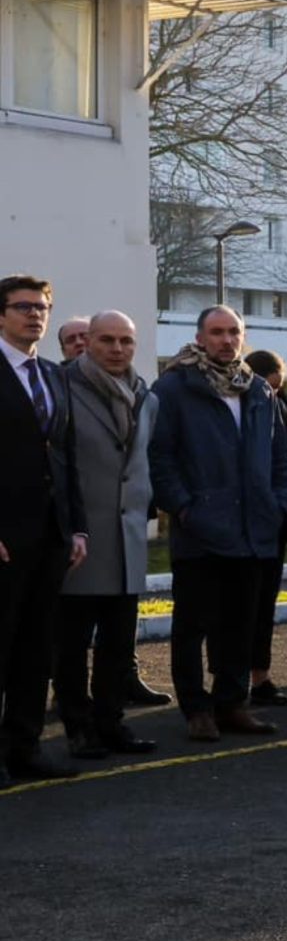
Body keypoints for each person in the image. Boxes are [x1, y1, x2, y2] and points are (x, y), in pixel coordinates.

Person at [148, 306, 287, 743]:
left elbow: (279, 457)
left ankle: (232, 703)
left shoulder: (258, 391)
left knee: (240, 624)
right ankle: (196, 710)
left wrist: (278, 502)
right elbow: (160, 457)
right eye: (217, 332)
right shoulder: (175, 387)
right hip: (201, 530)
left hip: (252, 529)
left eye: (234, 332)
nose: (227, 340)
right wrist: (186, 508)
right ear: (200, 336)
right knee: (192, 625)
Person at [55, 311, 156, 758]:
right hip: (81, 537)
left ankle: (112, 722)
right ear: (88, 342)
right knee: (72, 645)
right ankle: (78, 727)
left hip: (127, 537)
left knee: (119, 644)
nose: (117, 349)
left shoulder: (144, 395)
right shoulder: (63, 388)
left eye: (126, 341)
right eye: (107, 340)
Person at [0, 276, 86, 785]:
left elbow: (66, 457)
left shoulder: (54, 375)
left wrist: (77, 529)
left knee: (36, 648)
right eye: (23, 307)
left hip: (50, 535)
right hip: (6, 536)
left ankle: (24, 748)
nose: (35, 315)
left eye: (43, 307)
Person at [241, 348, 287, 707]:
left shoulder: (280, 406)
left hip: (275, 521)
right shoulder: (247, 405)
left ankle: (260, 675)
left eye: (279, 387)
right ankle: (237, 679)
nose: (273, 393)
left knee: (265, 606)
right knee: (245, 608)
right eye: (270, 385)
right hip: (249, 522)